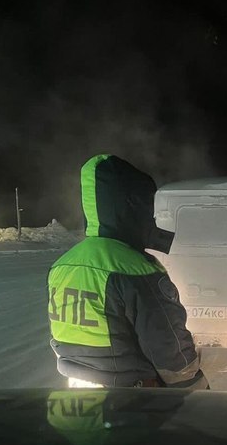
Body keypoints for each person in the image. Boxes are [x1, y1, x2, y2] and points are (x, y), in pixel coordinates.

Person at [47, 154, 208, 389]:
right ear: (133, 206)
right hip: (132, 394)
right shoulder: (135, 267)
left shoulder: (63, 264)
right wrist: (195, 387)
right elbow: (166, 343)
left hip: (75, 384)